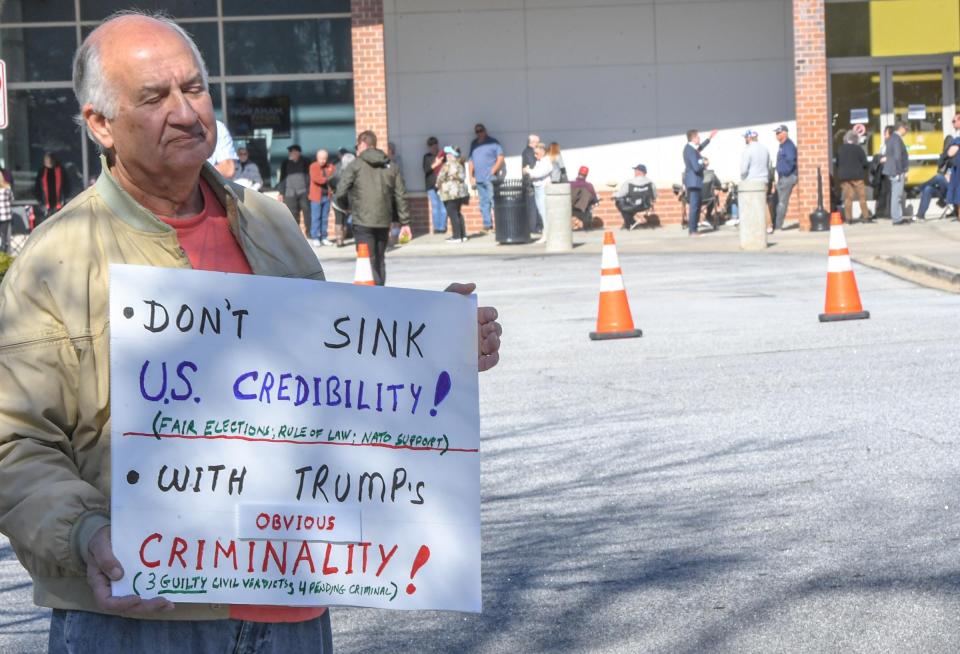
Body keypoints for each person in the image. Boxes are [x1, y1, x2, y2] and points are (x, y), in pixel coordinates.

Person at [0, 12, 501, 654]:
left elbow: (328, 387)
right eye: (154, 98)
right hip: (141, 619)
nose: (185, 113)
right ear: (100, 122)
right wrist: (86, 534)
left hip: (294, 608)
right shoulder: (57, 257)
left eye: (194, 88)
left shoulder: (268, 222)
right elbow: (14, 442)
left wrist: (432, 351)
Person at [334, 130, 411, 286]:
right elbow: (400, 195)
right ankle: (381, 291)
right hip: (383, 220)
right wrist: (404, 222)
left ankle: (373, 297)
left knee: (367, 260)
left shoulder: (355, 165)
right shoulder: (391, 166)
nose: (356, 148)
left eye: (357, 145)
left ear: (363, 143)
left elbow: (340, 191)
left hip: (362, 220)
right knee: (380, 259)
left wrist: (347, 207)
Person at [918, 114, 960, 220]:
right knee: (928, 189)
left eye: (954, 121)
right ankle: (920, 215)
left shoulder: (957, 144)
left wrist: (948, 175)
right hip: (947, 186)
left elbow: (951, 154)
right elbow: (944, 161)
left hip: (954, 184)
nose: (952, 123)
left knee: (938, 177)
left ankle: (919, 188)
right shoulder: (948, 157)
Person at [467, 123, 504, 232]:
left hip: (490, 178)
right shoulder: (473, 143)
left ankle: (499, 225)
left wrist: (493, 170)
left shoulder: (493, 142)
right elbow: (471, 161)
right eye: (477, 131)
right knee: (483, 202)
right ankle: (487, 225)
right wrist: (471, 176)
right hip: (478, 179)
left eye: (481, 130)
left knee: (494, 201)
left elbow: (501, 158)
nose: (479, 133)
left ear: (485, 130)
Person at [682, 128, 716, 235]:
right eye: (698, 137)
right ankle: (692, 230)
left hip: (695, 181)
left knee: (696, 206)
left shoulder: (691, 148)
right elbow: (696, 168)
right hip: (694, 182)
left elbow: (699, 149)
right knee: (694, 207)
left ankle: (694, 229)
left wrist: (709, 138)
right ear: (693, 138)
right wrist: (704, 164)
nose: (699, 139)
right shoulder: (690, 150)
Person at [836, 129, 872, 223]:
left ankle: (849, 218)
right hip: (857, 177)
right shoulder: (858, 149)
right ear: (855, 139)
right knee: (862, 198)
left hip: (844, 177)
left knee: (848, 198)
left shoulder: (840, 149)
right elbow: (865, 163)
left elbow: (837, 163)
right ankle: (866, 217)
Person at [435, 146, 469, 243]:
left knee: (452, 214)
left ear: (453, 155)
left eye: (449, 154)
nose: (447, 155)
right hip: (460, 193)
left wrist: (437, 184)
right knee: (457, 213)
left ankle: (457, 236)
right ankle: (463, 235)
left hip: (450, 193)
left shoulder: (448, 165)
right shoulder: (460, 164)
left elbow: (440, 177)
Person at [523, 142, 552, 243]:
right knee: (541, 212)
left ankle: (547, 235)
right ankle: (546, 234)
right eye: (534, 153)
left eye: (537, 153)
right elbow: (534, 173)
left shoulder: (546, 161)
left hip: (543, 188)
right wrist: (531, 172)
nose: (535, 156)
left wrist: (528, 171)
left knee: (544, 212)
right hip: (538, 188)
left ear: (543, 152)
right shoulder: (539, 162)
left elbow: (538, 173)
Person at [279, 144, 311, 236]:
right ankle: (295, 235)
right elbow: (282, 178)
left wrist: (309, 190)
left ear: (298, 152)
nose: (290, 154)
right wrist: (281, 192)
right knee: (292, 214)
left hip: (304, 191)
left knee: (307, 213)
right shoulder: (285, 163)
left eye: (292, 152)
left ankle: (309, 233)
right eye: (290, 152)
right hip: (289, 192)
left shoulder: (306, 161)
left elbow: (310, 177)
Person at [613, 163, 657, 230]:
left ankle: (629, 223)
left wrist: (614, 194)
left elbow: (621, 194)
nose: (634, 172)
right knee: (626, 206)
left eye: (635, 170)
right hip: (646, 205)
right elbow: (654, 196)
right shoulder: (651, 183)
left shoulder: (629, 182)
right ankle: (631, 222)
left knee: (619, 202)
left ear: (638, 172)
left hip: (632, 205)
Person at [884, 121, 910, 226]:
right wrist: (900, 171)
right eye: (906, 129)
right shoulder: (896, 139)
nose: (907, 131)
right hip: (897, 171)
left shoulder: (892, 138)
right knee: (897, 195)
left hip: (894, 170)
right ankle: (896, 218)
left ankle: (897, 217)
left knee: (896, 195)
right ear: (901, 128)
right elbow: (897, 156)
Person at [308, 149, 336, 246]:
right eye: (321, 158)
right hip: (316, 197)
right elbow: (317, 179)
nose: (323, 161)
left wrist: (330, 176)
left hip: (326, 196)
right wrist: (328, 178)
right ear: (317, 158)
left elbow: (334, 174)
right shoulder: (313, 166)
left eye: (325, 159)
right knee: (316, 217)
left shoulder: (329, 166)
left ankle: (324, 237)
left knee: (325, 218)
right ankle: (315, 237)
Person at [773, 124, 797, 231]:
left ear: (785, 133)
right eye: (776, 133)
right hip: (783, 177)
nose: (776, 135)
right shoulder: (782, 146)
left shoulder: (788, 145)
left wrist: (785, 173)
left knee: (782, 202)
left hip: (787, 177)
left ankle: (778, 226)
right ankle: (776, 224)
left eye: (778, 133)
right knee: (777, 201)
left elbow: (791, 160)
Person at [34, 152, 70, 224]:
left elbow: (66, 185)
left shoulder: (60, 170)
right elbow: (37, 187)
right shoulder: (42, 171)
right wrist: (40, 201)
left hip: (59, 205)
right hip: (46, 206)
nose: (49, 161)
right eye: (47, 160)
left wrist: (65, 198)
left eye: (50, 160)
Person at [423, 136, 447, 233]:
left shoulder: (442, 156)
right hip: (430, 185)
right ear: (429, 147)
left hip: (442, 185)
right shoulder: (426, 157)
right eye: (431, 145)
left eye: (435, 145)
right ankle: (437, 228)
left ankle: (442, 227)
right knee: (435, 206)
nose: (433, 147)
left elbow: (447, 169)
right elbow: (426, 170)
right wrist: (436, 164)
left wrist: (441, 162)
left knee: (443, 206)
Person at [521, 134, 541, 234]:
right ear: (532, 142)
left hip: (529, 182)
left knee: (533, 206)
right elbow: (532, 166)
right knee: (533, 206)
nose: (539, 145)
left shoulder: (527, 152)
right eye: (538, 143)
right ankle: (534, 227)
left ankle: (534, 227)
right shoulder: (529, 152)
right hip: (530, 183)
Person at [570, 166, 598, 231]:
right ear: (586, 175)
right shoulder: (589, 186)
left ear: (578, 173)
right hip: (583, 211)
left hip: (569, 210)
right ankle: (586, 226)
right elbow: (595, 200)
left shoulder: (569, 184)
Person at [0, 173, 12, 254]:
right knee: (5, 236)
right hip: (6, 216)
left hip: (3, 215)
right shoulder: (7, 188)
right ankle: (6, 254)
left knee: (2, 237)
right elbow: (12, 199)